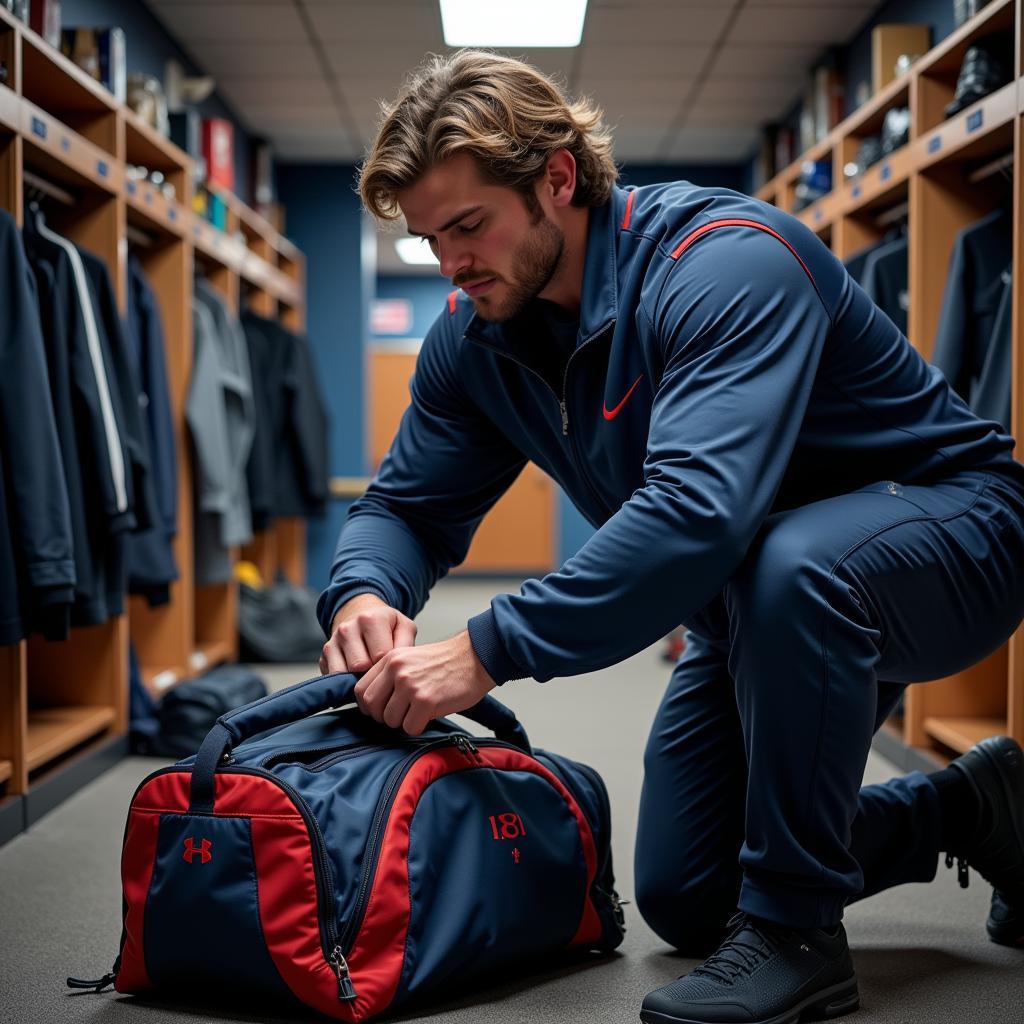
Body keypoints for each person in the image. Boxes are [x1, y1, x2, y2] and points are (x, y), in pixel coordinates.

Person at [318, 50, 1024, 1024]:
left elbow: (698, 512)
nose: (451, 263)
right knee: (692, 895)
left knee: (796, 563)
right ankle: (970, 807)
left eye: (468, 226)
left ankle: (797, 941)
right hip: (758, 595)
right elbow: (403, 506)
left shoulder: (725, 261)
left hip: (956, 528)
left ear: (556, 177)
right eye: (431, 238)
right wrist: (363, 591)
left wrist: (485, 648)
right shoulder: (478, 334)